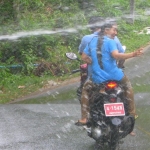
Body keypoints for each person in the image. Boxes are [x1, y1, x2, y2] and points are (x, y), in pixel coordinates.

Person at [79, 22, 143, 135]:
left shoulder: (92, 41)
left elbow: (84, 57)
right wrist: (132, 54)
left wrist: (93, 63)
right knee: (128, 88)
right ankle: (132, 115)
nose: (115, 33)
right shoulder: (110, 42)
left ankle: (84, 117)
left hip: (97, 79)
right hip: (115, 76)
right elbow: (116, 55)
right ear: (106, 30)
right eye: (114, 30)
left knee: (86, 90)